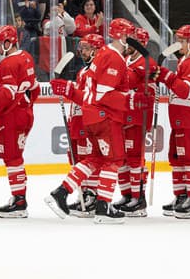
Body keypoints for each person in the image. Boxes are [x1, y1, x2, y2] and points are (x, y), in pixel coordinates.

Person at [46, 18, 142, 224]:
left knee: (95, 159)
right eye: (129, 36)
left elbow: (92, 94)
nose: (131, 40)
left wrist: (70, 90)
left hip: (91, 117)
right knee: (114, 160)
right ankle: (103, 206)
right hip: (105, 117)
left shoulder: (102, 56)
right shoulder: (114, 58)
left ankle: (61, 192)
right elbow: (104, 94)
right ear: (122, 36)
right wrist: (131, 99)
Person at [0, 25, 39, 217]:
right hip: (25, 113)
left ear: (9, 42)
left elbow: (7, 93)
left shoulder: (8, 64)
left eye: (0, 43)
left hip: (12, 116)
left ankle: (19, 200)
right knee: (15, 157)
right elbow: (34, 88)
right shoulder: (26, 57)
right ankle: (19, 197)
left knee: (12, 157)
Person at [155, 24, 190, 218]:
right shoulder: (185, 60)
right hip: (179, 116)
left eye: (182, 41)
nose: (178, 44)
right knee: (176, 157)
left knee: (189, 157)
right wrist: (162, 77)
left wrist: (166, 76)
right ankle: (181, 195)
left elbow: (185, 91)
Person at [50, 33, 106, 216]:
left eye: (87, 48)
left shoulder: (97, 72)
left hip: (87, 122)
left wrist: (68, 90)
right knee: (76, 159)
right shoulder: (83, 71)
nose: (82, 51)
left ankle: (91, 196)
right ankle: (85, 195)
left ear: (96, 50)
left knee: (89, 158)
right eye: (82, 47)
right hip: (77, 121)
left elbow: (89, 100)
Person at [116, 26, 157, 217]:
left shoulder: (146, 61)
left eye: (133, 40)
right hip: (124, 115)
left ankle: (138, 198)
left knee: (134, 158)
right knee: (122, 158)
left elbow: (129, 82)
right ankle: (126, 195)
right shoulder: (126, 60)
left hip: (139, 116)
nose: (128, 43)